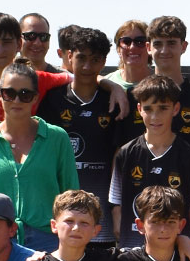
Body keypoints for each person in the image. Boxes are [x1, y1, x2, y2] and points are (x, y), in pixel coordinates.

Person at [0, 13, 129, 244]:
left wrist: (113, 86)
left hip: (42, 229)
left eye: (7, 41)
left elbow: (83, 75)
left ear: (19, 45)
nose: (0, 49)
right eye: (8, 93)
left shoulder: (38, 79)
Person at [0, 63, 79, 251]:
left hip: (49, 239)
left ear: (35, 99)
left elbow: (70, 192)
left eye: (25, 94)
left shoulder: (57, 138)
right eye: (9, 93)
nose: (16, 100)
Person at [36, 25, 133, 244]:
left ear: (104, 61)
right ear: (69, 56)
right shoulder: (52, 100)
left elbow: (120, 160)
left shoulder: (114, 102)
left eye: (96, 59)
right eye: (82, 58)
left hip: (102, 210)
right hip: (61, 208)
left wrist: (117, 207)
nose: (88, 66)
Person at [109, 74, 190, 248]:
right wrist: (118, 221)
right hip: (133, 249)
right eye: (148, 109)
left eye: (163, 108)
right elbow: (116, 201)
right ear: (139, 109)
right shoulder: (126, 154)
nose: (155, 116)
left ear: (176, 108)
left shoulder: (188, 155)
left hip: (175, 249)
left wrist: (180, 235)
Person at [143, 15, 190, 157]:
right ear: (148, 47)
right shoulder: (133, 97)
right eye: (158, 44)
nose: (164, 50)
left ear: (183, 47)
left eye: (171, 43)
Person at [109, 19, 153, 88]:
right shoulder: (106, 84)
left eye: (140, 41)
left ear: (149, 47)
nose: (132, 47)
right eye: (126, 42)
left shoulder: (164, 84)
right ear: (118, 49)